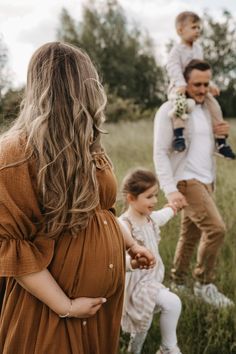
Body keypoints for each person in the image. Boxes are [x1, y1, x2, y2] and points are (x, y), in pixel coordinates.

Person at [0, 42, 156, 354]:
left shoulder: (89, 143)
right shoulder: (14, 155)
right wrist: (66, 305)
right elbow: (14, 250)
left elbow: (103, 215)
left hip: (97, 309)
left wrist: (131, 245)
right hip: (50, 311)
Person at [153, 58, 234, 308]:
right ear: (184, 82)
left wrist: (222, 137)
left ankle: (177, 282)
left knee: (189, 236)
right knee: (217, 229)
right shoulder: (171, 109)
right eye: (196, 84)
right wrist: (170, 189)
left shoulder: (208, 108)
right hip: (186, 181)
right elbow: (160, 152)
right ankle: (204, 283)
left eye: (205, 84)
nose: (201, 89)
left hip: (207, 179)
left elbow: (204, 147)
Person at [119, 168, 182, 354]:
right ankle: (168, 347)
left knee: (142, 327)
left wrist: (173, 207)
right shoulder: (124, 224)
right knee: (172, 303)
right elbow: (117, 259)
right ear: (131, 198)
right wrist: (133, 263)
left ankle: (134, 351)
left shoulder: (150, 218)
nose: (155, 201)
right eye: (149, 197)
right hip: (135, 286)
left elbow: (163, 215)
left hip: (151, 282)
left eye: (155, 195)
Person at [166, 11, 235, 159]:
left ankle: (221, 141)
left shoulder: (198, 49)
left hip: (197, 86)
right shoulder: (176, 51)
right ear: (180, 30)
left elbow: (202, 69)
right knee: (179, 105)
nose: (197, 31)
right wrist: (181, 83)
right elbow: (172, 67)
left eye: (199, 28)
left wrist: (210, 84)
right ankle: (179, 136)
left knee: (215, 107)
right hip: (179, 86)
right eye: (194, 27)